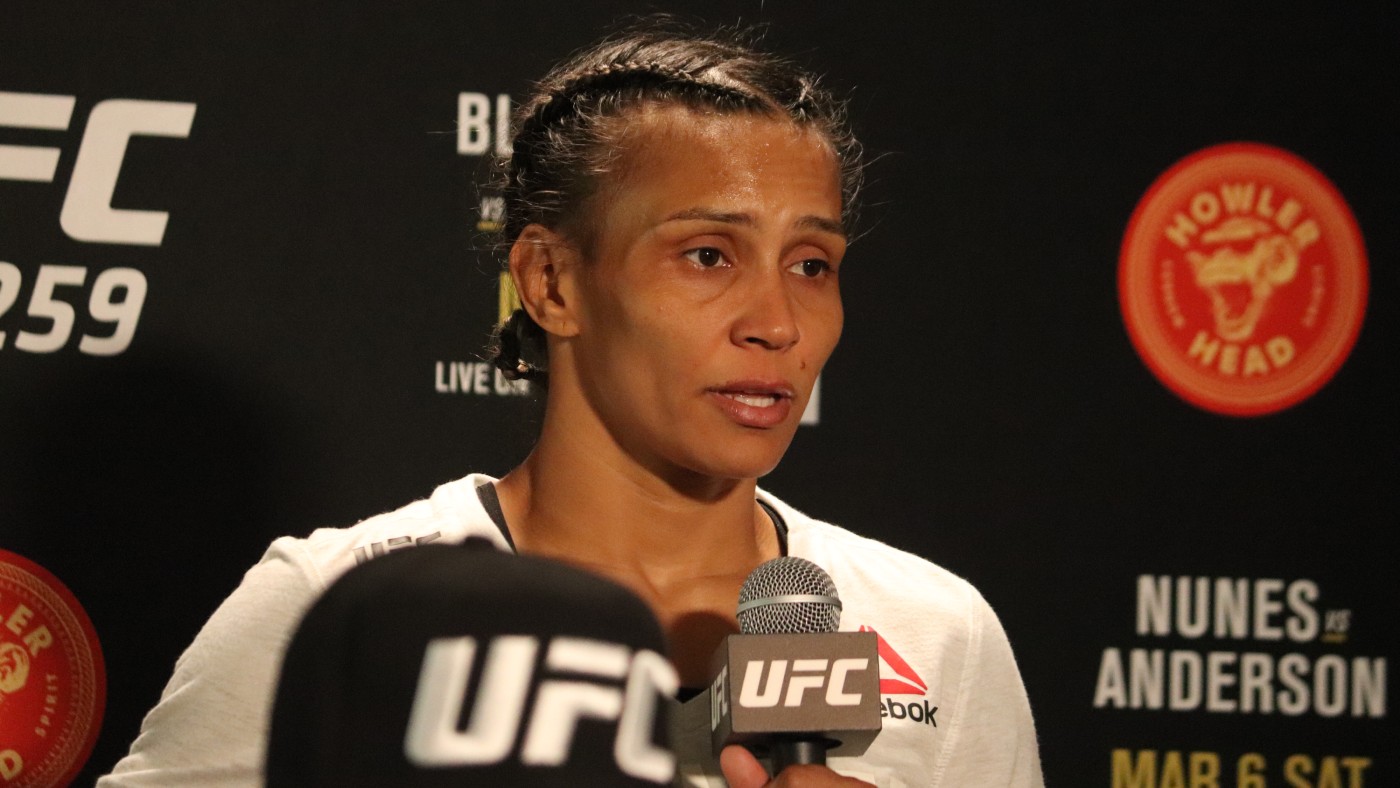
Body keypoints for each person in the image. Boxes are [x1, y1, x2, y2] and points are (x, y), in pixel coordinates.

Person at [100, 20, 1043, 787]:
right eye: (708, 255)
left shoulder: (937, 633)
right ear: (551, 282)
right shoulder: (336, 608)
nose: (777, 324)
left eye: (811, 265)